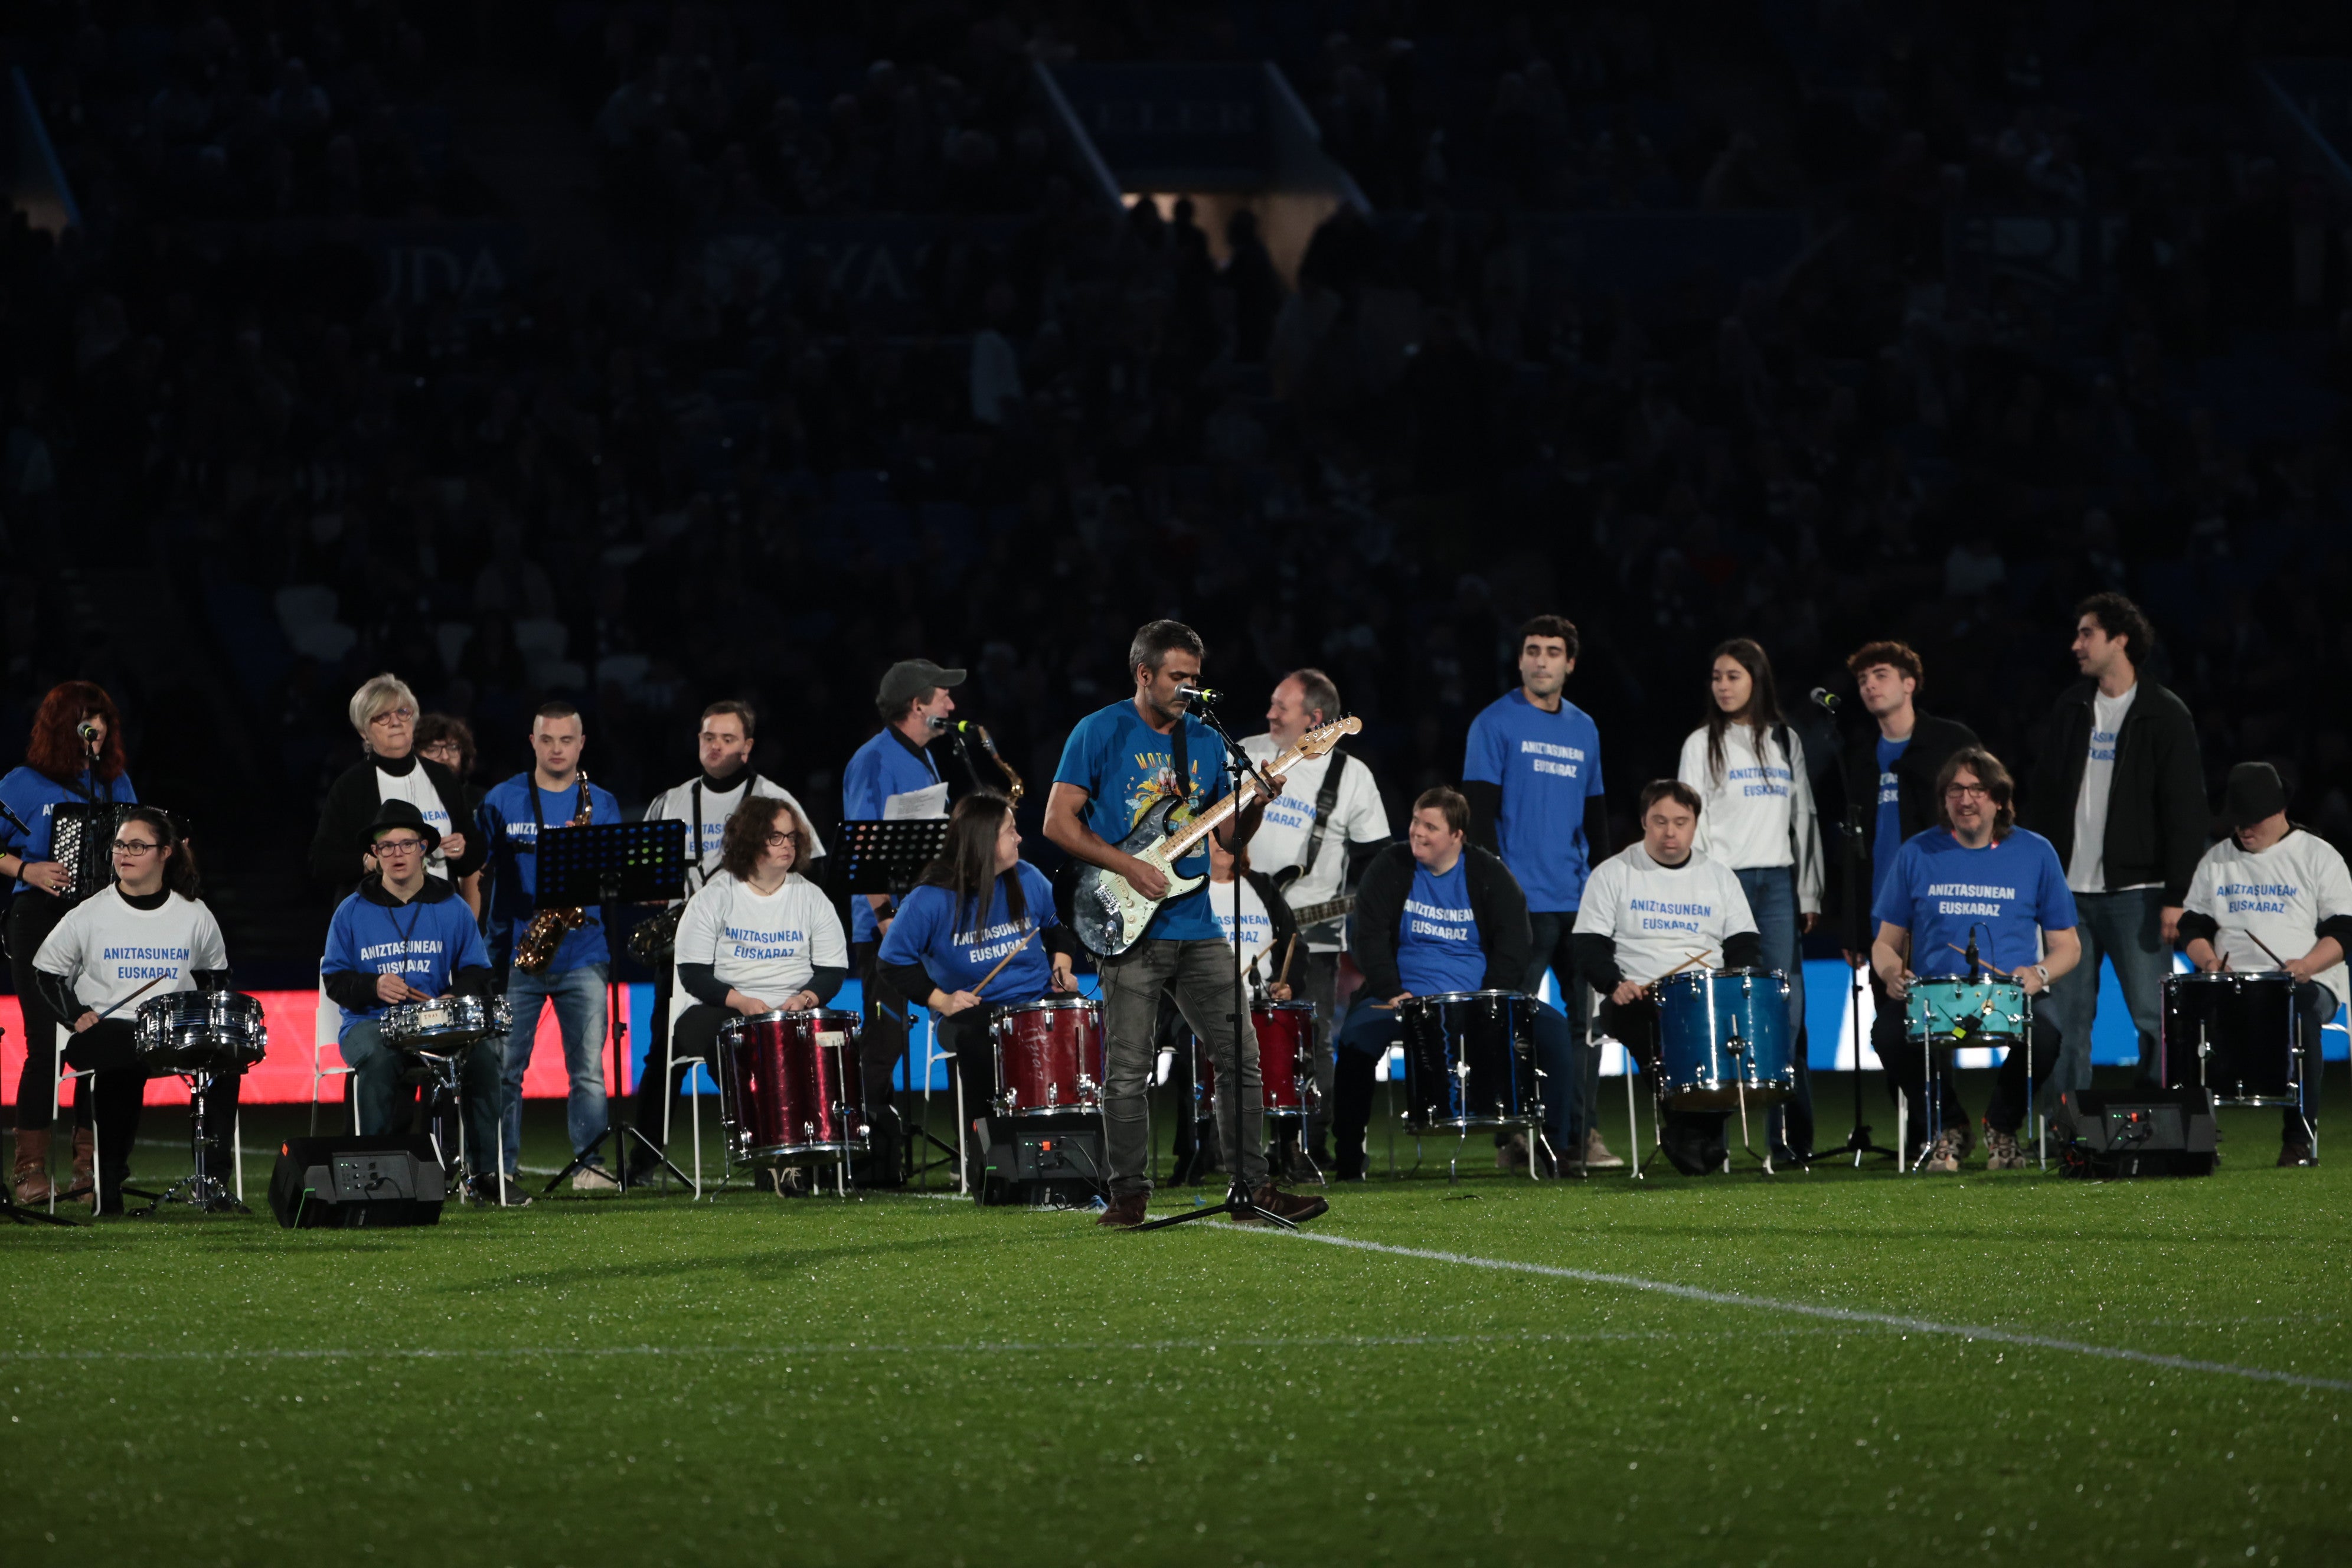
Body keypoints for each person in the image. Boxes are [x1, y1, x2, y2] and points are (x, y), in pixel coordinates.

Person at [1044, 619, 1327, 1229]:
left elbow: (1228, 837)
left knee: (1240, 1056)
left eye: (1196, 678)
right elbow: (1058, 824)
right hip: (1129, 916)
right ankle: (1128, 1196)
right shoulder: (1098, 731)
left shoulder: (1206, 740)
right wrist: (1127, 866)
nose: (1190, 689)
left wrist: (1255, 806)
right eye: (1178, 677)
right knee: (1128, 1067)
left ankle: (1253, 1188)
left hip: (1196, 922)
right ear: (1143, 674)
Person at [633, 699, 824, 1180]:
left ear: (748, 747)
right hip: (686, 951)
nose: (715, 747)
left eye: (727, 739)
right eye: (708, 737)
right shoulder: (670, 801)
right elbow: (643, 877)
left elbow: (811, 871)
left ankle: (769, 1151)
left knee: (752, 1051)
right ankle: (643, 1160)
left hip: (755, 953)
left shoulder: (778, 801)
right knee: (663, 1055)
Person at [2027, 593, 2206, 1096]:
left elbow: (2185, 812)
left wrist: (2178, 896)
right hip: (2066, 897)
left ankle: (2169, 1118)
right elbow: (2043, 799)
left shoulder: (2164, 714)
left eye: (2087, 634)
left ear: (2120, 639)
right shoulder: (2070, 708)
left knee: (2155, 1017)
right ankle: (2063, 1131)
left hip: (2141, 893)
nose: (2076, 645)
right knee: (2067, 1019)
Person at [1871, 748, 2082, 1172]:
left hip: (2010, 994)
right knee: (1888, 1034)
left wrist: (2039, 974)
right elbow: (1884, 944)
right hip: (1935, 997)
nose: (1965, 800)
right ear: (1944, 800)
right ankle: (1949, 1125)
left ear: (2000, 799)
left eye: (1977, 790)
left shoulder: (2037, 853)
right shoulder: (1916, 853)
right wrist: (1892, 972)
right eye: (1955, 790)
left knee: (2047, 1036)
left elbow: (2069, 947)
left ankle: (2001, 1127)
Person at [1463, 615, 1613, 1169]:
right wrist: (1496, 898)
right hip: (1520, 907)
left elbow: (1595, 819)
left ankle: (1578, 1134)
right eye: (1533, 650)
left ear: (1570, 663)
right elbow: (1478, 822)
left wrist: (1603, 890)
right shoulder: (1493, 723)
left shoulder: (1585, 729)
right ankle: (1516, 1136)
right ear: (1520, 658)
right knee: (1512, 1027)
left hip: (1579, 904)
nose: (1542, 660)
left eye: (1554, 652)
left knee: (1584, 1030)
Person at [31, 807, 231, 1214]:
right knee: (121, 1061)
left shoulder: (194, 915)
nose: (125, 853)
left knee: (226, 1060)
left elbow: (215, 977)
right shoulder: (89, 913)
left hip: (171, 1032)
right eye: (120, 845)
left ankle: (213, 1185)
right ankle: (108, 1187)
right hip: (108, 1029)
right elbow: (45, 973)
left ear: (166, 853)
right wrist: (74, 1014)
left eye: (138, 846)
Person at [1333, 787, 1540, 1181]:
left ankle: (1555, 1147)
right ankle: (1347, 1155)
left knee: (1553, 1036)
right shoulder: (1390, 865)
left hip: (1476, 1003)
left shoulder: (1488, 872)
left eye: (1431, 826)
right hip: (1399, 1002)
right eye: (1415, 821)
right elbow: (1368, 936)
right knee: (1356, 1042)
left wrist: (1486, 1001)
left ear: (1457, 835)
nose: (1417, 833)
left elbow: (1515, 943)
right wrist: (1392, 989)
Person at [319, 801, 519, 1206]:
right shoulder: (350, 911)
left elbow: (478, 972)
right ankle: (373, 1178)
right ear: (374, 855)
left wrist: (453, 995)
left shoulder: (451, 907)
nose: (396, 854)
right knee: (379, 1057)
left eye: (406, 844)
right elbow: (335, 980)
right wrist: (374, 985)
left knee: (482, 1061)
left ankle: (484, 1176)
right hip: (369, 1024)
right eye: (386, 846)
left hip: (434, 1025)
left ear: (424, 849)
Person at [876, 792, 1080, 1185]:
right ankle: (989, 1158)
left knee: (1077, 1019)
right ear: (985, 841)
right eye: (1011, 831)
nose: (1020, 838)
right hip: (974, 1011)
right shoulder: (931, 898)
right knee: (979, 1036)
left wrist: (1062, 966)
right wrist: (942, 1000)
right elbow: (891, 961)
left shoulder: (1028, 878)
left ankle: (1075, 1148)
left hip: (1034, 1001)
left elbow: (1058, 926)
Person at [1676, 638, 1825, 1163]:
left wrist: (1810, 889)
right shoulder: (1700, 743)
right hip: (1727, 885)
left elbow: (1803, 819)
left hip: (1780, 887)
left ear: (1757, 680)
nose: (1723, 686)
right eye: (1716, 677)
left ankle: (1788, 1144)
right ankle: (1708, 1145)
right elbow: (1694, 824)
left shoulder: (1786, 739)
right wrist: (1707, 892)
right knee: (1721, 1013)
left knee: (1786, 1014)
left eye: (1733, 676)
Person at [1573, 780, 1765, 1175]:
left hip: (1704, 996)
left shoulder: (1719, 876)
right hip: (1635, 994)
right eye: (1660, 821)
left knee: (1733, 1027)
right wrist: (1614, 984)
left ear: (1696, 824)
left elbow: (1745, 945)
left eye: (1681, 821)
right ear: (1644, 821)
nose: (1670, 831)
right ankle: (1696, 1136)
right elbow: (1588, 946)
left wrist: (1728, 986)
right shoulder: (1613, 873)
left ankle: (1688, 1137)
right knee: (1653, 1024)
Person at [1240, 667, 1389, 1170]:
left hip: (1312, 935)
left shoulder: (1352, 776)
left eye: (1282, 707)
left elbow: (1375, 863)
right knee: (1226, 1035)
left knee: (1312, 1039)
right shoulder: (1242, 753)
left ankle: (1309, 1144)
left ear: (1316, 719)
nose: (1270, 714)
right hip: (1238, 926)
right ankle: (1222, 1147)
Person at [477, 701, 625, 1188]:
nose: (557, 749)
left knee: (587, 1073)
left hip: (585, 952)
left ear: (582, 744)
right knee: (505, 1070)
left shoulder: (600, 803)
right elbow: (478, 870)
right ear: (533, 743)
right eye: (547, 740)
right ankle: (502, 1168)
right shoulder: (502, 797)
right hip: (518, 956)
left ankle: (591, 1166)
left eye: (567, 740)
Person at [2177, 762, 2352, 1167]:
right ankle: (2198, 1139)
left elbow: (2343, 931)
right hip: (2230, 981)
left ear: (2279, 812)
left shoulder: (2318, 856)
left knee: (2301, 1017)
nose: (2243, 829)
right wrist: (2207, 960)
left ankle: (2299, 1137)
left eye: (2251, 820)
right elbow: (2194, 924)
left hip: (2304, 980)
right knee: (2186, 1021)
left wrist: (2308, 964)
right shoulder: (2216, 860)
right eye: (2237, 821)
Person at [2, 682, 135, 1205]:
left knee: (97, 1043)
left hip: (100, 922)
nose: (96, 727)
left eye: (102, 717)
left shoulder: (115, 782)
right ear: (63, 726)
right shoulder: (23, 783)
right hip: (37, 918)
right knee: (44, 1047)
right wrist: (26, 868)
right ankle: (29, 1171)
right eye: (85, 717)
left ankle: (88, 1169)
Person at [1837, 642, 1978, 1121]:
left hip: (1944, 913)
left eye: (1880, 674)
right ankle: (1938, 1124)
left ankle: (1942, 1126)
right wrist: (1856, 927)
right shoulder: (1858, 758)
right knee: (1893, 1034)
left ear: (1910, 683)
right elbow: (1852, 851)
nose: (1870, 685)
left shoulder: (1949, 743)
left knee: (1946, 1031)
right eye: (1862, 680)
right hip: (1885, 922)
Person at [668, 796, 849, 1169]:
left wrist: (807, 998)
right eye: (775, 837)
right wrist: (741, 1001)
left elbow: (833, 969)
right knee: (734, 1040)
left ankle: (824, 1147)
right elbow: (693, 973)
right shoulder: (713, 898)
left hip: (794, 1009)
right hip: (725, 1007)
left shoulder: (812, 898)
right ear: (751, 840)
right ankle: (765, 1147)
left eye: (792, 837)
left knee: (835, 1037)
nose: (788, 845)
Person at [841, 661, 961, 1181]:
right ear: (917, 705)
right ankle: (863, 1150)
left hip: (923, 919)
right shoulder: (873, 760)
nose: (951, 706)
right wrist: (884, 914)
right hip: (887, 927)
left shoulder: (926, 757)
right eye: (942, 697)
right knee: (885, 1039)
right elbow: (863, 840)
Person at [1177, 834, 1301, 1179]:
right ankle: (1204, 1148)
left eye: (1231, 839)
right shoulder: (1188, 890)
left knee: (1293, 1036)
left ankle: (1290, 1142)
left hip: (1261, 1004)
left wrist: (1287, 984)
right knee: (1203, 1046)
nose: (1224, 845)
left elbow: (1292, 942)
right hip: (1201, 1005)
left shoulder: (1261, 887)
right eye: (1215, 838)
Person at [308, 674, 486, 902]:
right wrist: (370, 862)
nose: (395, 722)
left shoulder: (442, 777)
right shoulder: (350, 787)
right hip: (378, 924)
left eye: (403, 712)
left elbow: (474, 850)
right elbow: (320, 861)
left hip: (439, 917)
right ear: (364, 731)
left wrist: (463, 851)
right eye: (382, 716)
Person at [416, 713, 488, 917]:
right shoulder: (408, 799)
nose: (445, 756)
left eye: (453, 748)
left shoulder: (481, 800)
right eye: (433, 749)